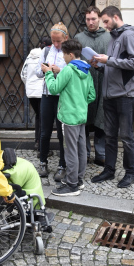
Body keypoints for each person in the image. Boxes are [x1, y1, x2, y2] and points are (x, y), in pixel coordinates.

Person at [91, 6, 134, 188]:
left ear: (116, 17)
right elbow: (114, 66)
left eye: (105, 21)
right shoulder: (113, 38)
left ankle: (131, 172)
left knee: (127, 136)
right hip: (110, 95)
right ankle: (109, 170)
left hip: (125, 96)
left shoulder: (129, 35)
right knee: (109, 136)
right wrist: (100, 65)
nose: (104, 25)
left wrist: (109, 60)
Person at [42, 39, 95, 196]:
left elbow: (53, 88)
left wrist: (48, 74)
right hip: (81, 115)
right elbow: (91, 95)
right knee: (81, 149)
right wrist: (80, 102)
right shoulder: (86, 70)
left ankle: (72, 185)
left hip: (69, 117)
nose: (63, 57)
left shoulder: (68, 70)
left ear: (71, 55)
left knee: (70, 151)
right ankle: (78, 180)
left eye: (64, 54)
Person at [74, 6, 111, 166]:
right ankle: (85, 153)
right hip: (84, 84)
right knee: (85, 119)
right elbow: (74, 60)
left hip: (103, 83)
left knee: (101, 119)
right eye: (88, 19)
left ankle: (101, 153)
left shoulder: (108, 38)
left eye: (94, 19)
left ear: (99, 19)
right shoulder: (79, 38)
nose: (90, 22)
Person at [35, 22, 69, 181]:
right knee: (45, 131)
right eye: (53, 40)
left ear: (66, 38)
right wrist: (44, 70)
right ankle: (43, 162)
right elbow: (37, 72)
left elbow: (72, 73)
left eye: (58, 41)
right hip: (47, 95)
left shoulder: (69, 52)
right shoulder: (46, 51)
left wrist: (59, 71)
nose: (55, 44)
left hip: (62, 96)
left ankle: (62, 165)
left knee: (62, 133)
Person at [20, 36, 52, 151]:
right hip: (42, 91)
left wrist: (29, 85)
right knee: (43, 117)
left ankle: (37, 141)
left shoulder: (30, 56)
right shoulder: (48, 55)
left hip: (31, 92)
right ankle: (41, 144)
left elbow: (23, 74)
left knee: (38, 116)